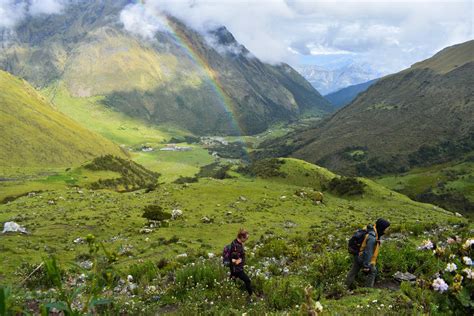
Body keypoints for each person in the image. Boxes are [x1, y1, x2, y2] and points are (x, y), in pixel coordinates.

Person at [346, 218, 391, 289]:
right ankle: (367, 290)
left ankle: (345, 287)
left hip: (358, 254)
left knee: (353, 271)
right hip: (363, 257)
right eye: (386, 228)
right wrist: (366, 266)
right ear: (382, 227)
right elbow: (368, 252)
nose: (387, 230)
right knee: (373, 271)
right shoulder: (372, 237)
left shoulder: (371, 230)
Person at [230, 228, 253, 297]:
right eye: (246, 238)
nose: (246, 240)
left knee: (233, 281)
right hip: (237, 269)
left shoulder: (236, 243)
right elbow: (233, 260)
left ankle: (232, 294)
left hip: (236, 269)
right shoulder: (236, 246)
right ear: (242, 237)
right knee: (247, 280)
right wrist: (239, 261)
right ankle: (251, 296)